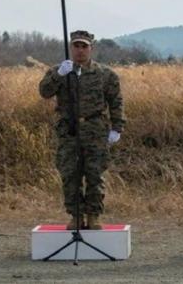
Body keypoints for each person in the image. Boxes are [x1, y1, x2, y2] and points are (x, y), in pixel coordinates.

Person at [38, 30, 125, 230]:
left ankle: (94, 214)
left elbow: (116, 101)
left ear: (91, 48)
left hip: (95, 129)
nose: (80, 50)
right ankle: (76, 215)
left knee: (95, 174)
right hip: (69, 130)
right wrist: (59, 76)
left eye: (84, 46)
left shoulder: (105, 74)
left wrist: (117, 127)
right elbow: (44, 92)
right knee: (70, 174)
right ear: (71, 48)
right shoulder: (60, 70)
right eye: (76, 46)